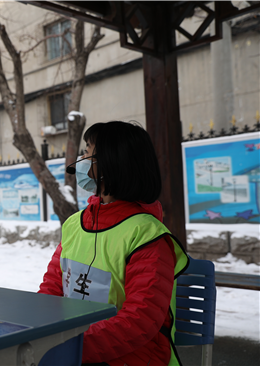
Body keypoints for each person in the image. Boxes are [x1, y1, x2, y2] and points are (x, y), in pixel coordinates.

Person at [38, 121, 189, 366]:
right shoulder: (76, 223)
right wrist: (35, 334)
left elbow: (140, 320)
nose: (81, 158)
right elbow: (52, 289)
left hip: (133, 354)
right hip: (73, 347)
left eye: (88, 151)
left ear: (112, 161)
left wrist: (71, 349)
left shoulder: (147, 235)